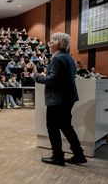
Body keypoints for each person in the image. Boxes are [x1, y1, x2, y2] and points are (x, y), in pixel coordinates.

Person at [33, 32, 86, 166]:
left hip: (57, 99)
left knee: (52, 127)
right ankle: (79, 154)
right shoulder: (68, 57)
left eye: (52, 42)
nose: (49, 44)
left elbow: (52, 79)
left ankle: (57, 156)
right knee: (66, 126)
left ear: (58, 44)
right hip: (68, 98)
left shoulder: (57, 58)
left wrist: (37, 77)